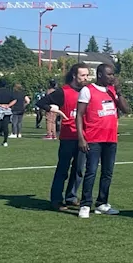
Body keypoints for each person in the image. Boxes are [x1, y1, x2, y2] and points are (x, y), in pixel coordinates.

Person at [76, 63, 128, 218]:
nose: (113, 77)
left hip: (110, 138)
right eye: (110, 74)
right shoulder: (87, 90)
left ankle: (102, 203)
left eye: (113, 74)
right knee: (91, 171)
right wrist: (81, 138)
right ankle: (85, 204)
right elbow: (79, 115)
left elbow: (126, 109)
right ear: (100, 75)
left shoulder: (112, 91)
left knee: (107, 172)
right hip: (93, 138)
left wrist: (118, 92)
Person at [39, 64, 89, 212]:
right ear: (74, 76)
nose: (86, 78)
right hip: (68, 136)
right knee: (63, 169)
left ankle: (71, 196)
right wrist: (54, 109)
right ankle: (56, 199)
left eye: (87, 75)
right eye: (83, 75)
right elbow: (41, 102)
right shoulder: (63, 92)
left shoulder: (87, 91)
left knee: (79, 169)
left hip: (84, 136)